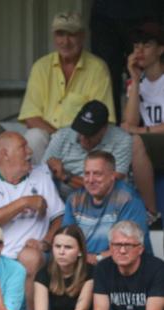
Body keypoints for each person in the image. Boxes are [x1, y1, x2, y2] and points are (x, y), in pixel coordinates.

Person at [0, 132, 64, 310]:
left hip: (32, 253)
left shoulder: (42, 174)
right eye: (23, 147)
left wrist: (45, 242)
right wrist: (23, 203)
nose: (29, 151)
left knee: (29, 257)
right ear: (5, 154)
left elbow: (59, 217)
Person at [18, 12, 115, 163]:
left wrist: (71, 140)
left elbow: (101, 118)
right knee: (34, 137)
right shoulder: (41, 67)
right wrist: (58, 138)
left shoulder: (98, 68)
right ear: (54, 36)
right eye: (60, 34)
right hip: (48, 137)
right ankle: (36, 184)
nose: (65, 41)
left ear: (82, 36)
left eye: (72, 34)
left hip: (83, 140)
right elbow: (31, 117)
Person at [62, 150, 150, 262]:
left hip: (120, 265)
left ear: (112, 175)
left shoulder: (128, 199)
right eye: (87, 173)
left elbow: (129, 248)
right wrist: (80, 257)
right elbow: (67, 239)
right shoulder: (74, 199)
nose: (90, 180)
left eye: (97, 174)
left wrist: (95, 258)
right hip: (82, 263)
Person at [43, 100, 135, 202]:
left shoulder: (122, 140)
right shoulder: (62, 136)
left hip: (105, 203)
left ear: (104, 129)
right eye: (80, 130)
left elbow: (108, 187)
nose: (82, 138)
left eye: (89, 134)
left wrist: (65, 176)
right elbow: (42, 175)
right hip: (63, 201)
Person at [122, 21, 164, 219]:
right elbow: (128, 122)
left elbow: (133, 129)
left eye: (147, 45)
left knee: (137, 140)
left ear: (161, 49)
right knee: (128, 141)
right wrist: (136, 81)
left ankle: (150, 211)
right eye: (136, 46)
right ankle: (151, 213)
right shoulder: (137, 82)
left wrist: (140, 131)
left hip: (155, 139)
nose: (140, 51)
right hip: (153, 146)